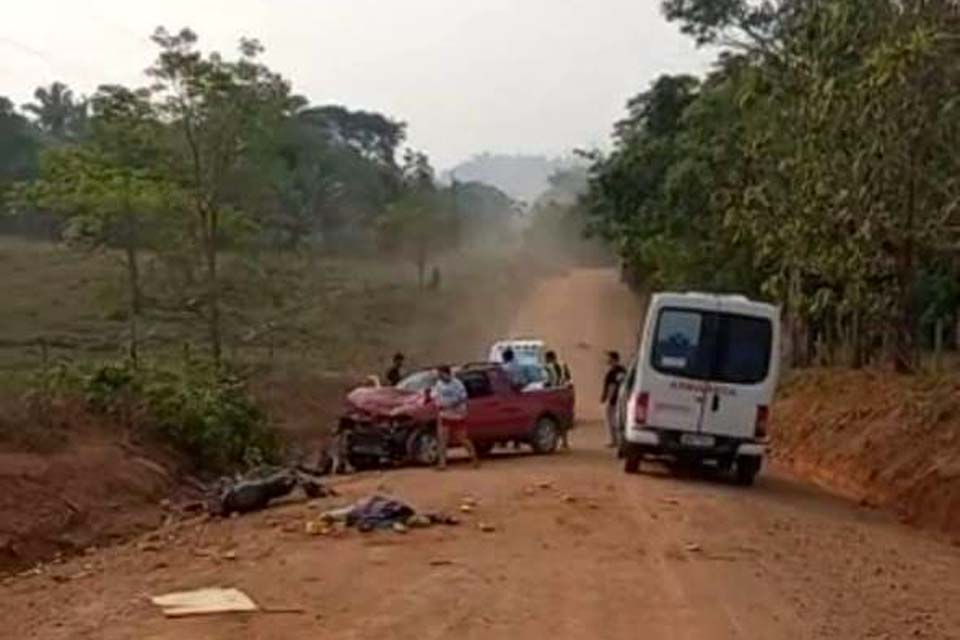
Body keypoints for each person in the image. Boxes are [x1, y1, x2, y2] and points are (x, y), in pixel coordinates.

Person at [431, 365, 479, 469]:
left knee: (462, 439)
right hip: (444, 414)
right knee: (442, 440)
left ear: (447, 373)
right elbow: (435, 396)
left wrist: (450, 404)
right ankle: (442, 463)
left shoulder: (457, 384)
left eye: (441, 374)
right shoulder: (438, 384)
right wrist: (438, 404)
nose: (440, 377)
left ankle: (474, 458)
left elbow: (462, 397)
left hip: (457, 415)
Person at [545, 350, 573, 449]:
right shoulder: (563, 365)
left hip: (553, 395)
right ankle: (565, 441)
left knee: (553, 418)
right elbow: (569, 380)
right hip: (564, 394)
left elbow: (546, 382)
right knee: (563, 417)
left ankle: (555, 441)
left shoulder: (547, 367)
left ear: (548, 358)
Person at [601, 351, 627, 448]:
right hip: (622, 399)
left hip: (614, 399)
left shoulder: (613, 372)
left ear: (613, 359)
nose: (607, 360)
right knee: (617, 419)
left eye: (609, 358)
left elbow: (612, 386)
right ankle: (617, 440)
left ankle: (613, 440)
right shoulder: (623, 370)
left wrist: (609, 399)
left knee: (610, 420)